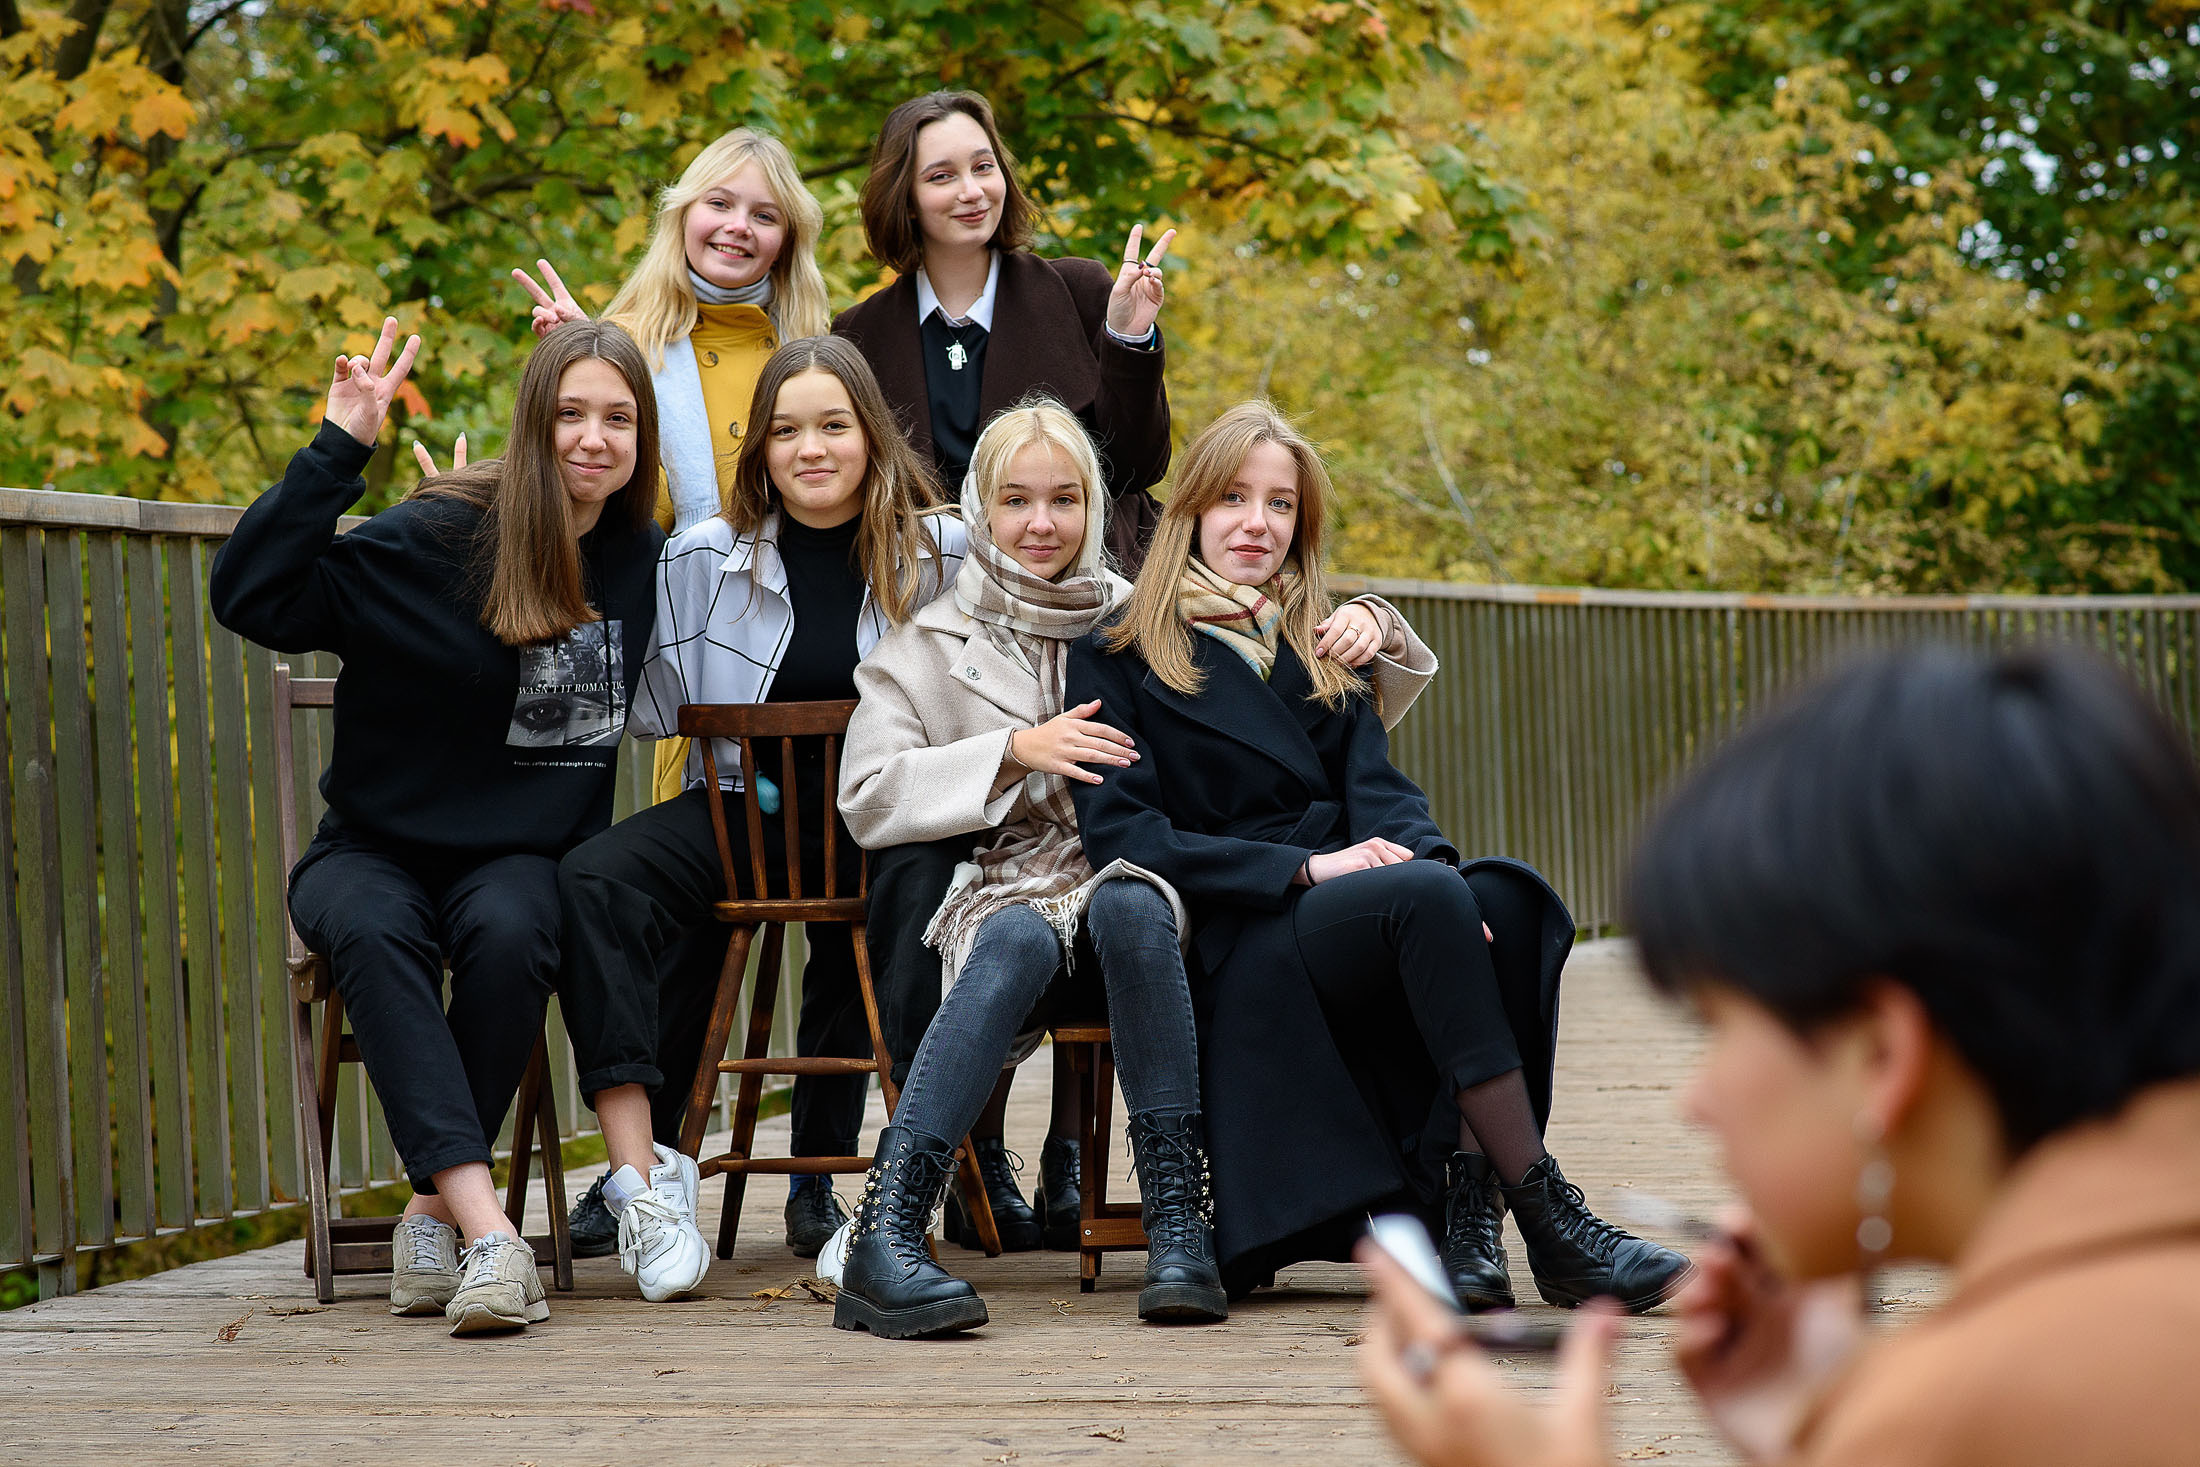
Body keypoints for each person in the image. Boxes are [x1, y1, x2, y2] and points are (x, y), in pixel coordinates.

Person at [1357, 645, 2200, 1467]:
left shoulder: (1982, 1402)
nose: (1698, 1099)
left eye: (1718, 1025)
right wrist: (1812, 1432)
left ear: (1881, 1053)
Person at [1069, 401, 1690, 1306]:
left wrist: (1433, 861)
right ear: (1191, 511)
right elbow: (1124, 836)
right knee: (1427, 896)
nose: (1257, 522)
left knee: (1508, 896)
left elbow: (1382, 793)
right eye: (1234, 497)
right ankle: (1551, 1218)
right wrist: (1302, 868)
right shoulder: (1119, 652)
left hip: (1344, 912)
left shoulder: (1324, 648)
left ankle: (1475, 1228)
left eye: (1280, 505)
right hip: (1243, 923)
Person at [210, 317, 663, 1334]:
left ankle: (428, 1215)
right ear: (528, 425)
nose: (592, 437)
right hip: (368, 853)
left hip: (514, 860)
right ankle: (492, 1235)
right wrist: (340, 444)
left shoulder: (638, 559)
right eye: (569, 413)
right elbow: (250, 595)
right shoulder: (434, 539)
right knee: (374, 927)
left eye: (617, 417)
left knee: (516, 927)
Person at [832, 88, 1177, 1253]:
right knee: (941, 874)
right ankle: (965, 1164)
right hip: (947, 624)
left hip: (1085, 609)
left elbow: (1132, 460)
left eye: (984, 166)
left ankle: (1088, 1157)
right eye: (942, 173)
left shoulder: (1075, 291)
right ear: (904, 194)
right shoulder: (863, 331)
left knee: (1115, 848)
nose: (970, 189)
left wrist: (1129, 337)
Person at [498, 128, 846, 1259]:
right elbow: (582, 510)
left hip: (802, 695)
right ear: (680, 212)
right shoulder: (621, 347)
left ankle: (818, 1180)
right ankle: (646, 1172)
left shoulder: (818, 357)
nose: (737, 227)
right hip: (651, 657)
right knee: (635, 899)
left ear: (787, 236)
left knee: (814, 912)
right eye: (718, 205)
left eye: (763, 213)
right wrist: (571, 383)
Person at [555, 334, 957, 1302]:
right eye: (785, 431)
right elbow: (643, 702)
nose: (810, 449)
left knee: (916, 897)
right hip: (748, 820)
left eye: (832, 425)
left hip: (884, 822)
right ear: (760, 452)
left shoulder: (940, 548)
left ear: (870, 435)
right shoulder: (703, 559)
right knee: (592, 877)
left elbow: (1055, 589)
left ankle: (880, 1188)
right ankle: (642, 1174)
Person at [829, 401, 1220, 1337]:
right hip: (1011, 882)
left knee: (1130, 906)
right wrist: (1011, 750)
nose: (1041, 524)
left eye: (1064, 500)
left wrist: (1370, 621)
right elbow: (868, 795)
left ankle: (1177, 1224)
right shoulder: (924, 642)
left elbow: (1276, 654)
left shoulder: (1144, 619)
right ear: (982, 507)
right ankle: (889, 1227)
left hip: (1137, 876)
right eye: (1015, 500)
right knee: (1006, 937)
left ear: (1093, 509)